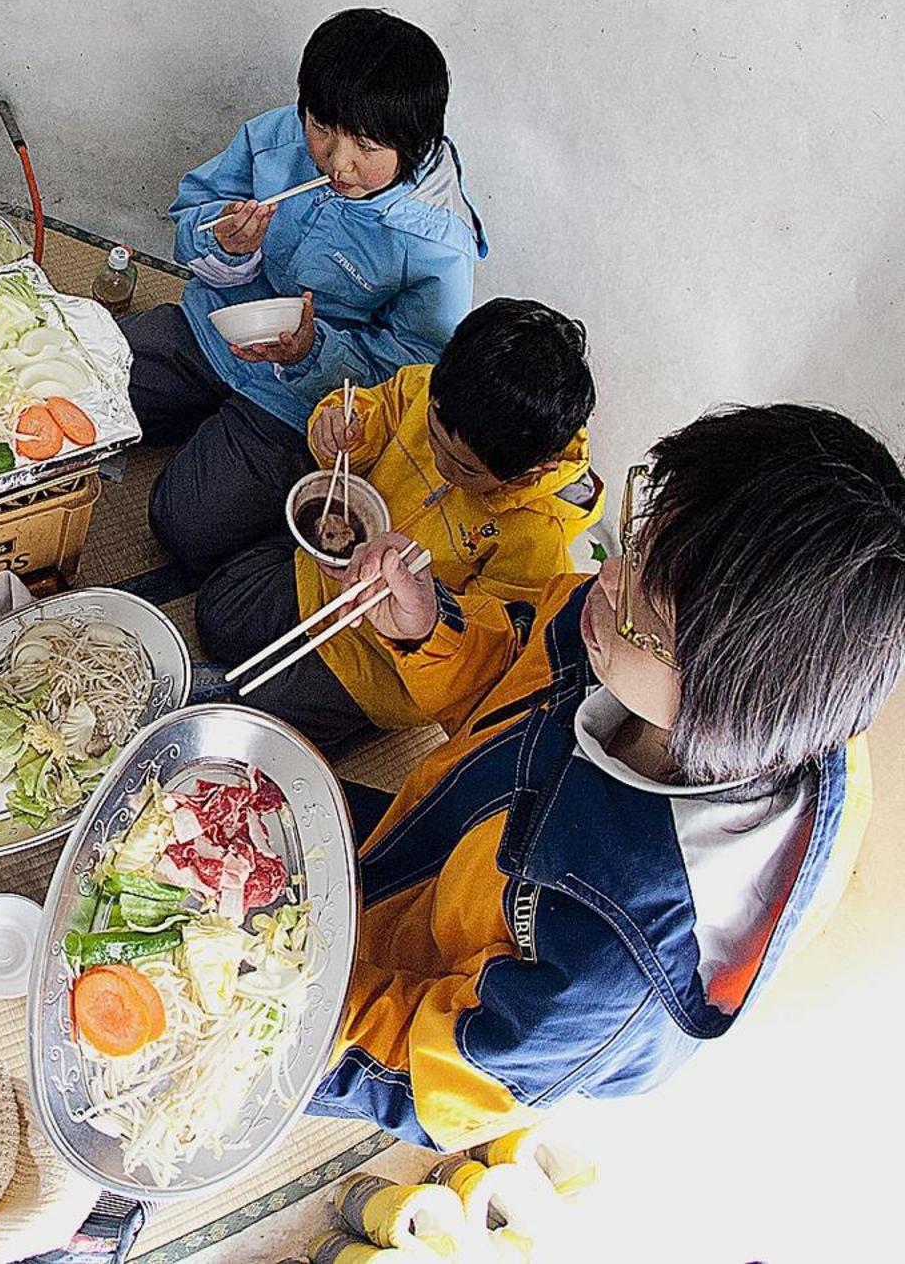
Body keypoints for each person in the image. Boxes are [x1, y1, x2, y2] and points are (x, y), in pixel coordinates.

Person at [306, 404, 905, 1149]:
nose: (606, 580)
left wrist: (269, 1012)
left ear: (724, 702)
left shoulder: (617, 966)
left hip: (377, 997)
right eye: (638, 540)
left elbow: (422, 1071)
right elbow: (516, 686)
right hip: (430, 844)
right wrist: (434, 633)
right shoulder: (667, 652)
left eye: (642, 604)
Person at [127, 8, 487, 574]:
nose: (338, 162)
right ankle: (192, 415)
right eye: (322, 128)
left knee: (182, 522)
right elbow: (191, 209)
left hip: (301, 398)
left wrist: (313, 354)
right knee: (85, 380)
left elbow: (415, 371)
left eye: (367, 146)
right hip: (213, 324)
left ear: (414, 145)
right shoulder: (276, 139)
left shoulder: (436, 240)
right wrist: (222, 242)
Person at [201, 297, 602, 757]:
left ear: (532, 471)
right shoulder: (424, 388)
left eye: (465, 469)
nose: (440, 463)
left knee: (250, 722)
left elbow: (485, 657)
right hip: (316, 578)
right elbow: (373, 409)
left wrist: (421, 614)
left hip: (375, 667)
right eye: (432, 438)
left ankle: (359, 724)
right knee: (215, 615)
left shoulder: (537, 540)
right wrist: (341, 429)